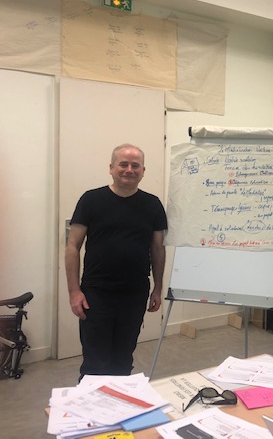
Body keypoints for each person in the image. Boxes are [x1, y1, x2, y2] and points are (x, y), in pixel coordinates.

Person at [65, 143, 167, 379]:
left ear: (143, 171)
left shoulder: (152, 204)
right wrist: (74, 291)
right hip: (96, 292)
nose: (129, 170)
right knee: (95, 361)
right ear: (111, 168)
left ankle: (118, 401)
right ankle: (91, 401)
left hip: (134, 293)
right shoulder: (91, 200)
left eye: (135, 165)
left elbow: (158, 249)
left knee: (123, 358)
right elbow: (72, 246)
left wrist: (158, 288)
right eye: (123, 164)